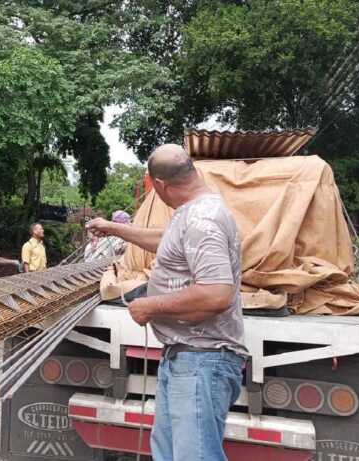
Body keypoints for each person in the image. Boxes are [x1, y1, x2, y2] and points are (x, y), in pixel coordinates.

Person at [87, 144, 247, 461]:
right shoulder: (192, 213)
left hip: (202, 360)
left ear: (159, 184)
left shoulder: (203, 220)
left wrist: (150, 306)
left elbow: (217, 294)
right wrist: (112, 227)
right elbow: (166, 241)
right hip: (185, 358)